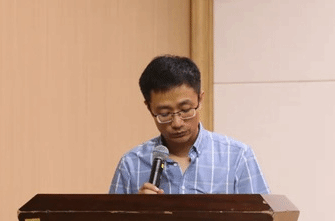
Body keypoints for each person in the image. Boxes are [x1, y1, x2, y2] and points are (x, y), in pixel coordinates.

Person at [109, 55, 270, 195]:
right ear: (149, 108)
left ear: (200, 99)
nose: (177, 123)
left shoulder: (237, 157)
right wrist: (137, 211)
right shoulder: (131, 164)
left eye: (185, 110)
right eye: (164, 114)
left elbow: (264, 219)